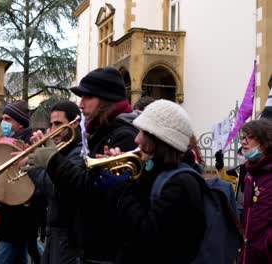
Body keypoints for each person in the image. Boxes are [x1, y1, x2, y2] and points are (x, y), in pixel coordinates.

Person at [26, 67, 139, 262]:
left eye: (87, 97)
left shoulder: (124, 136)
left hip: (107, 251)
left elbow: (87, 191)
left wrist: (52, 160)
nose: (81, 104)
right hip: (89, 246)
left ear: (105, 99)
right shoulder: (100, 132)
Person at [107, 99, 206, 263]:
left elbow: (146, 235)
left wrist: (123, 183)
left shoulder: (181, 183)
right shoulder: (152, 170)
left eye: (142, 133)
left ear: (158, 139)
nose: (136, 140)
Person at [28, 101, 84, 264]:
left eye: (58, 124)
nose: (53, 130)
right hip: (54, 232)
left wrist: (33, 167)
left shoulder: (77, 153)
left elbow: (55, 188)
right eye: (51, 124)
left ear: (74, 124)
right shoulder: (63, 151)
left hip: (67, 236)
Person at [0, 100, 43, 264]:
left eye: (7, 119)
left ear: (19, 123)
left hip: (17, 217)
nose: (3, 123)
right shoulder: (10, 140)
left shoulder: (23, 144)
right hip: (16, 216)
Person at [239, 119, 272, 264]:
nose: (244, 142)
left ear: (265, 142)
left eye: (250, 137)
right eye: (243, 137)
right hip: (247, 254)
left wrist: (266, 247)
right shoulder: (250, 174)